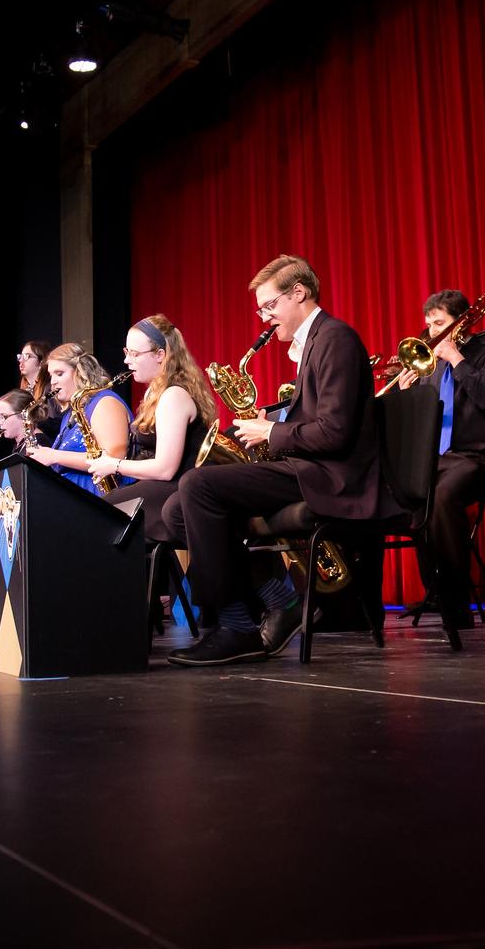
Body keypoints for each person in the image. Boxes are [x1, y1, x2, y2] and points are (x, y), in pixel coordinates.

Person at [166, 254, 383, 665]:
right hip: (307, 467)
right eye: (261, 309)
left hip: (332, 476)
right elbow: (318, 420)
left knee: (196, 485)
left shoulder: (335, 339)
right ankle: (279, 602)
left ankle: (235, 627)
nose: (265, 318)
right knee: (180, 508)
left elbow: (335, 433)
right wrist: (275, 422)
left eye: (269, 306)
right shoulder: (316, 342)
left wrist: (273, 433)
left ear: (298, 293)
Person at [388, 289, 485, 628]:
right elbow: (420, 424)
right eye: (429, 325)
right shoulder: (432, 364)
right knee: (409, 492)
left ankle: (457, 602)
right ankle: (437, 589)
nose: (432, 333)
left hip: (480, 458)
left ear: (460, 323)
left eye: (440, 323)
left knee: (441, 497)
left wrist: (458, 359)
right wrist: (407, 395)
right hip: (440, 459)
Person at [86, 315, 218, 544]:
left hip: (179, 490)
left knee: (103, 516)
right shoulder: (154, 394)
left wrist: (114, 465)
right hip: (164, 488)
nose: (127, 361)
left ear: (160, 355)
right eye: (127, 352)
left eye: (135, 354)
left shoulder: (173, 396)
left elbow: (166, 469)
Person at [25, 342, 132, 496]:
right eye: (51, 375)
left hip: (104, 500)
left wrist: (54, 456)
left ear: (80, 372)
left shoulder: (105, 402)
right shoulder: (70, 414)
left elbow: (113, 458)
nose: (53, 381)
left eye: (60, 373)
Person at [15, 339, 60, 443]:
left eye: (27, 356)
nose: (21, 361)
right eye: (20, 356)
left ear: (41, 361)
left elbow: (55, 425)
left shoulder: (49, 390)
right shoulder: (25, 390)